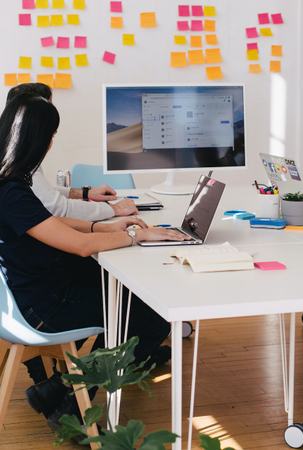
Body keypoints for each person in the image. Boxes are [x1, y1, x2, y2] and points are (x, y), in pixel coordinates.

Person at [0, 94, 189, 427]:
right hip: (43, 308)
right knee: (147, 315)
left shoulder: (10, 181)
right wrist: (134, 236)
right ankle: (72, 404)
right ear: (38, 139)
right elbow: (80, 246)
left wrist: (102, 225)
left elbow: (48, 224)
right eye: (51, 135)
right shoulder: (11, 190)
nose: (52, 142)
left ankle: (59, 389)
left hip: (34, 288)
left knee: (129, 298)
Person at [6, 83, 137, 221]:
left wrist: (85, 193)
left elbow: (42, 193)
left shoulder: (16, 151)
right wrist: (114, 209)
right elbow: (59, 208)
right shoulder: (16, 163)